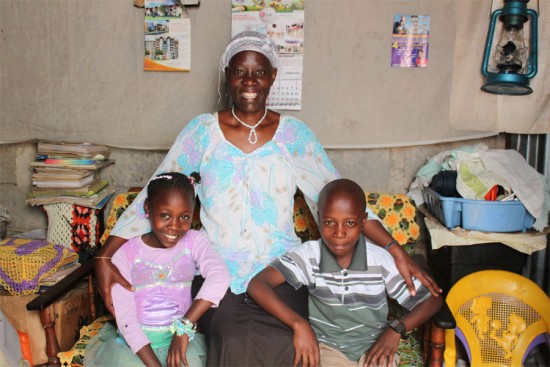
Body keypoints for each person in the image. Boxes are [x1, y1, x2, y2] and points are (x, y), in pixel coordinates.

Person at [95, 30, 440, 366]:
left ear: (273, 76)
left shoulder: (294, 136)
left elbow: (339, 194)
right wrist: (105, 258)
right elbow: (156, 194)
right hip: (220, 274)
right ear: (227, 76)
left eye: (259, 72)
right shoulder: (202, 133)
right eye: (239, 72)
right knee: (232, 341)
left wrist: (395, 251)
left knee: (287, 345)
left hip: (281, 272)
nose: (249, 81)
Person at [248, 179, 443, 367]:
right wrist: (299, 324)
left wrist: (396, 330)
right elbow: (258, 284)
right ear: (319, 218)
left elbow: (432, 300)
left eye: (349, 223)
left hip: (375, 349)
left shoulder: (379, 260)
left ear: (363, 222)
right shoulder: (310, 256)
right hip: (328, 349)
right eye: (329, 222)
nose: (339, 232)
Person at [86, 172, 230, 367]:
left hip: (182, 340)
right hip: (136, 349)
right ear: (148, 208)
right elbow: (126, 319)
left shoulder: (195, 241)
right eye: (164, 215)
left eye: (184, 217)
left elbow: (219, 277)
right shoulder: (125, 253)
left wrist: (184, 327)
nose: (174, 226)